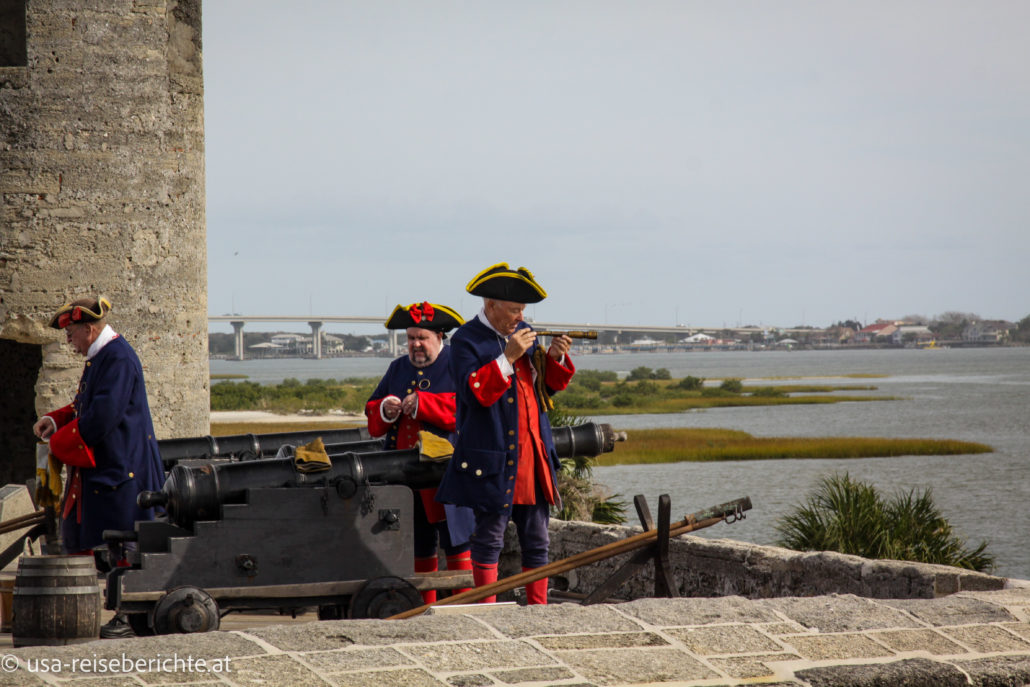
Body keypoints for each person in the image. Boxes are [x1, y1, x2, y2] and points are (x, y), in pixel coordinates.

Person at [435, 264, 575, 605]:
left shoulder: (525, 331)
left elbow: (547, 389)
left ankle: (537, 609)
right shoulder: (465, 340)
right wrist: (508, 356)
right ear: (491, 305)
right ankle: (487, 611)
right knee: (489, 539)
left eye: (523, 310)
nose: (520, 316)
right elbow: (474, 394)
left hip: (534, 457)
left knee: (537, 539)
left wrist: (555, 357)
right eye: (514, 309)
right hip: (493, 459)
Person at [32, 296, 166, 638]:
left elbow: (102, 418)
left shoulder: (118, 359)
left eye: (72, 334)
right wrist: (55, 419)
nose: (69, 343)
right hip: (109, 467)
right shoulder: (102, 357)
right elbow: (85, 406)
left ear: (89, 330)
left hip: (122, 469)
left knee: (124, 542)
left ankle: (128, 613)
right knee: (102, 538)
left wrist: (59, 445)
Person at [365, 302, 475, 603]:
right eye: (411, 337)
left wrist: (425, 404)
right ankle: (423, 609)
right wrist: (387, 409)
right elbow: (372, 412)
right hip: (406, 478)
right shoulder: (397, 368)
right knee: (419, 546)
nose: (415, 344)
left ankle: (464, 609)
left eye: (422, 338)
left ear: (440, 337)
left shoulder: (459, 363)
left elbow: (468, 410)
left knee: (457, 543)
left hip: (448, 476)